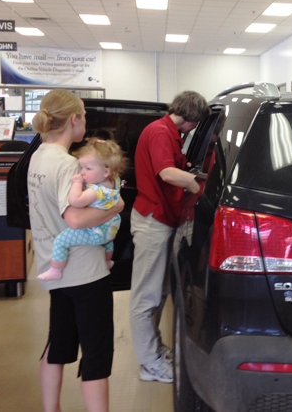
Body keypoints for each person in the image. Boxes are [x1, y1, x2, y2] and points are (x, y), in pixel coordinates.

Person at [28, 89, 123, 412]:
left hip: (54, 269)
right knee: (96, 353)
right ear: (74, 119)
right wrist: (116, 207)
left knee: (58, 345)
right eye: (83, 115)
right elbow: (76, 217)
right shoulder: (69, 166)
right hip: (84, 272)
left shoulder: (38, 157)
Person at [129, 90, 210, 383]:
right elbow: (166, 173)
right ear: (190, 118)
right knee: (145, 296)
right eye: (195, 124)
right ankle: (149, 364)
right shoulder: (161, 132)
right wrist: (200, 188)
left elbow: (172, 166)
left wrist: (188, 170)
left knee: (158, 291)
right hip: (153, 220)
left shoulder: (169, 132)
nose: (193, 129)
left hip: (161, 219)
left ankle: (154, 351)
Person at [37, 137, 127, 282]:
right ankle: (107, 261)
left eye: (88, 168)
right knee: (108, 242)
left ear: (105, 171)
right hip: (111, 228)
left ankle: (56, 270)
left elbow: (76, 201)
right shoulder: (114, 180)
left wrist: (77, 183)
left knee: (61, 241)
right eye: (82, 167)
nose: (83, 172)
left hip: (94, 232)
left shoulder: (96, 191)